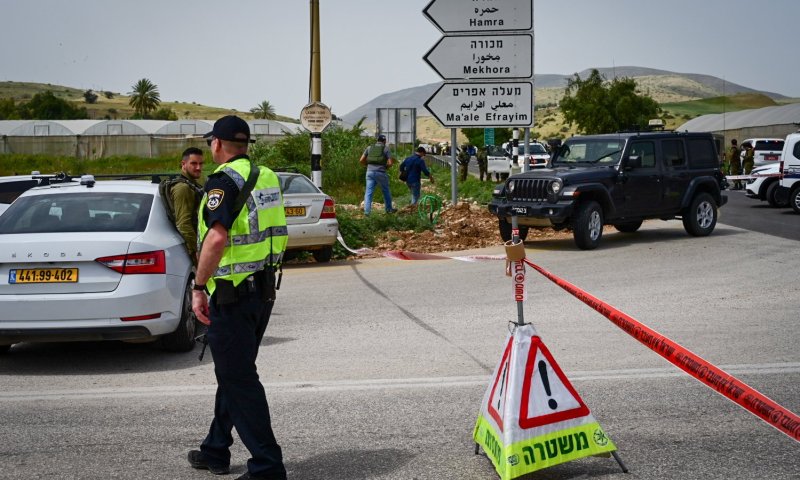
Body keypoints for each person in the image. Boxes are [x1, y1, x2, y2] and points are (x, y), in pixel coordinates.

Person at [189, 115, 288, 480]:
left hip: (231, 295)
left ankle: (267, 467)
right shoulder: (267, 176)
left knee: (240, 379)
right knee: (234, 374)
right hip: (261, 292)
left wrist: (198, 288)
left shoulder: (221, 182)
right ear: (246, 145)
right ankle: (215, 449)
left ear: (216, 144)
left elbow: (216, 239)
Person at [171, 147, 205, 265]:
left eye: (201, 163)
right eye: (194, 163)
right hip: (191, 251)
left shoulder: (193, 185)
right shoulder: (183, 188)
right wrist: (198, 250)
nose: (198, 168)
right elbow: (183, 224)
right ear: (183, 164)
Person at [359, 134, 395, 215]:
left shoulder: (369, 147)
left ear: (377, 140)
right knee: (386, 191)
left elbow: (361, 160)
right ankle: (389, 210)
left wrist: (367, 165)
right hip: (380, 173)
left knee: (368, 193)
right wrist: (386, 167)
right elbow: (390, 163)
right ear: (384, 141)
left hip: (369, 172)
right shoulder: (386, 149)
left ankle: (367, 212)